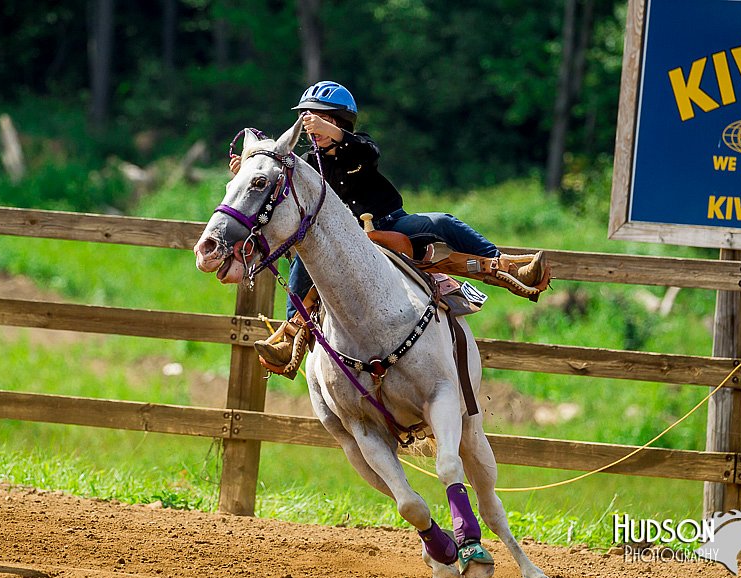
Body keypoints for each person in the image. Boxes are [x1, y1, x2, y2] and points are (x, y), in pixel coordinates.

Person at [230, 81, 547, 377]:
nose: (313, 126)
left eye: (322, 120)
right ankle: (291, 332)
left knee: (440, 223)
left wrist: (333, 134)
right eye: (309, 120)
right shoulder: (306, 164)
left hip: (389, 221)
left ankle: (507, 268)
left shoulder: (359, 148)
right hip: (340, 240)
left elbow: (368, 153)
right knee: (303, 260)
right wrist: (247, 169)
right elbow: (275, 181)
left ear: (341, 123)